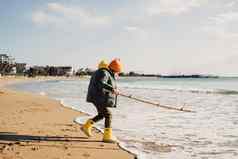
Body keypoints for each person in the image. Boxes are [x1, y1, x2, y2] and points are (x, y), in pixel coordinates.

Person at [81, 59, 122, 143]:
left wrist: (112, 90)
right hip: (97, 97)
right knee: (108, 115)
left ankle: (87, 126)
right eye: (117, 71)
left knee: (101, 115)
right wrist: (112, 89)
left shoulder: (100, 72)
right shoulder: (104, 72)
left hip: (96, 97)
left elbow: (100, 84)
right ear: (115, 69)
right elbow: (101, 83)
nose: (117, 73)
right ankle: (107, 136)